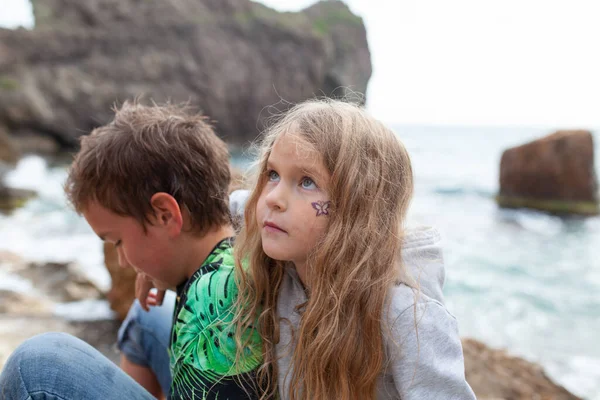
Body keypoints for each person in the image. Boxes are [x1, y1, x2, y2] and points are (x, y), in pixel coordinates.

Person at [0, 102, 263, 400]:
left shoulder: (209, 303)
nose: (123, 261)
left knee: (35, 366)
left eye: (117, 242)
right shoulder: (237, 250)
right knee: (146, 314)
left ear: (165, 215)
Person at [231, 99, 477, 399]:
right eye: (272, 175)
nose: (273, 198)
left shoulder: (403, 313)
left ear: (357, 208)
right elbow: (235, 204)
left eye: (306, 182)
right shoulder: (288, 239)